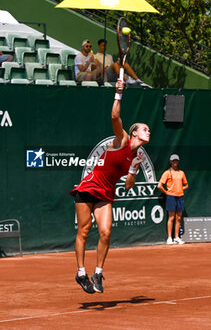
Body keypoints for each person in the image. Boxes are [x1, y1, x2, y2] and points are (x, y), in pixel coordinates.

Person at [70, 79, 150, 294]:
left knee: (105, 233)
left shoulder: (137, 155)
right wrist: (118, 93)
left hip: (106, 193)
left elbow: (129, 186)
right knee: (84, 231)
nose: (148, 132)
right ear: (134, 133)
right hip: (89, 187)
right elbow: (114, 116)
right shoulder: (122, 140)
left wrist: (133, 169)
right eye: (145, 129)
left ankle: (97, 272)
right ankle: (80, 273)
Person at [157, 154, 188, 245]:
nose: (175, 162)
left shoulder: (181, 173)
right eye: (173, 161)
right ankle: (169, 238)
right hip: (171, 197)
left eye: (176, 161)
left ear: (178, 162)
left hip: (180, 196)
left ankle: (177, 238)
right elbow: (159, 185)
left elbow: (186, 185)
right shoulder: (167, 173)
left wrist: (181, 189)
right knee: (171, 217)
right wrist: (167, 192)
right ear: (170, 162)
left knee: (178, 218)